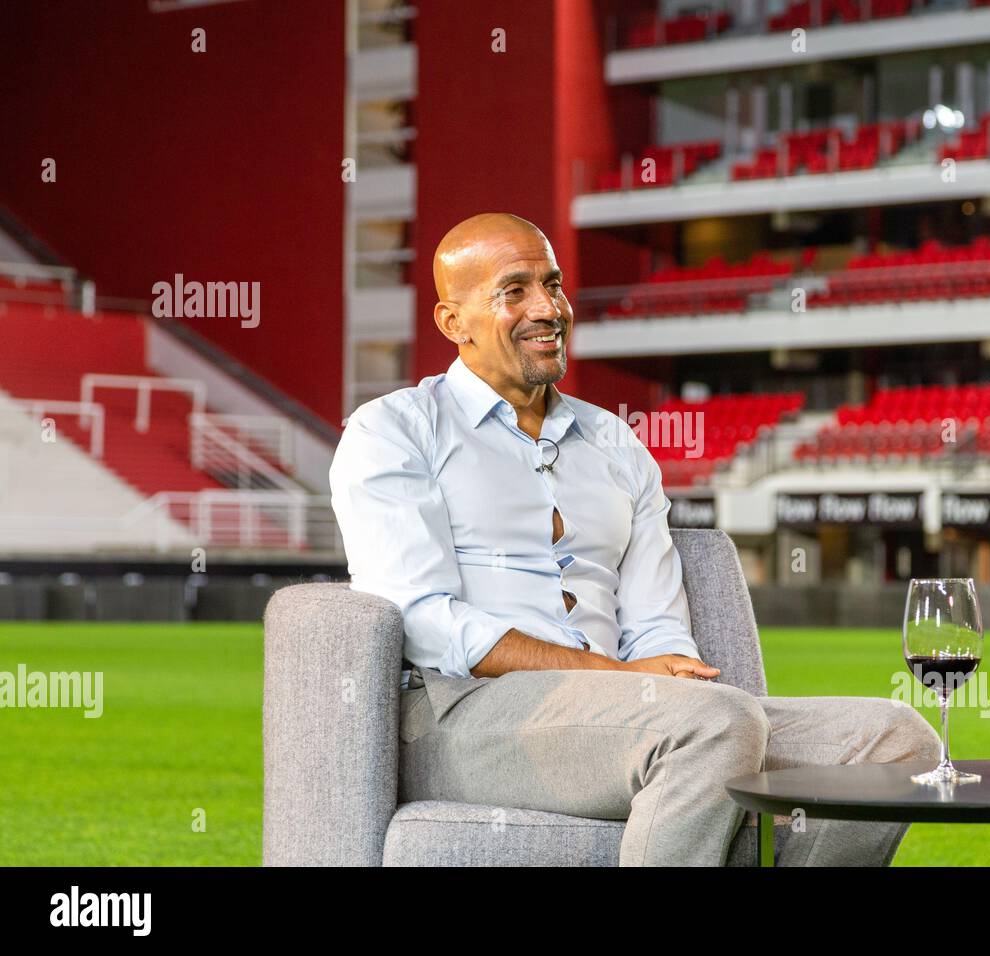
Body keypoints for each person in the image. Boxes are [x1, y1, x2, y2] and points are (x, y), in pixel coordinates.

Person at [329, 212, 942, 865]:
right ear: (454, 323)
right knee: (713, 724)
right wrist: (619, 678)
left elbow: (655, 621)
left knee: (896, 740)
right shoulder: (393, 430)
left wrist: (666, 675)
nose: (548, 308)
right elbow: (424, 620)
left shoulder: (615, 442)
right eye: (514, 291)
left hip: (622, 712)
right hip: (462, 713)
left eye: (553, 284)